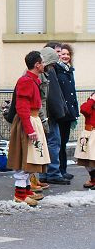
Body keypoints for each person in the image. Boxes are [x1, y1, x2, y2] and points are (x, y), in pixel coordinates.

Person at [7, 51, 49, 206]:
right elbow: (22, 107)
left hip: (33, 119)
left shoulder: (33, 80)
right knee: (25, 158)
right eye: (42, 62)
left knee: (32, 156)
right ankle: (20, 195)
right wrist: (30, 129)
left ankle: (25, 191)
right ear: (37, 65)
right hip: (28, 122)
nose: (44, 64)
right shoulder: (26, 81)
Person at [37, 47, 67, 187]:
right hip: (47, 115)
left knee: (47, 144)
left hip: (45, 115)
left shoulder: (45, 72)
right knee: (54, 143)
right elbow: (50, 97)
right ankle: (53, 173)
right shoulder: (46, 73)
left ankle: (44, 174)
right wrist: (59, 112)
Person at [55, 43, 79, 179]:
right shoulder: (57, 70)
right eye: (63, 54)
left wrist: (75, 112)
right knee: (59, 142)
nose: (65, 56)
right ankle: (59, 170)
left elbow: (72, 93)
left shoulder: (69, 70)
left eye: (68, 54)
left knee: (63, 142)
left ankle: (63, 169)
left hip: (69, 113)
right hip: (61, 113)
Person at [76, 93, 95, 189]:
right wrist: (92, 100)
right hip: (88, 133)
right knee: (85, 159)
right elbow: (84, 110)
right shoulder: (90, 104)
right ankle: (93, 178)